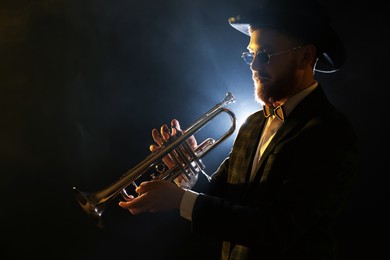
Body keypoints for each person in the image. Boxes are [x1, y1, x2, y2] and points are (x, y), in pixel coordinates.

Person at [119, 0, 359, 259]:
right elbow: (225, 198)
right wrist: (187, 176)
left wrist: (181, 200)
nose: (254, 67)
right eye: (250, 55)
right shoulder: (252, 124)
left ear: (305, 56)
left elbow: (277, 228)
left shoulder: (331, 132)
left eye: (265, 54)